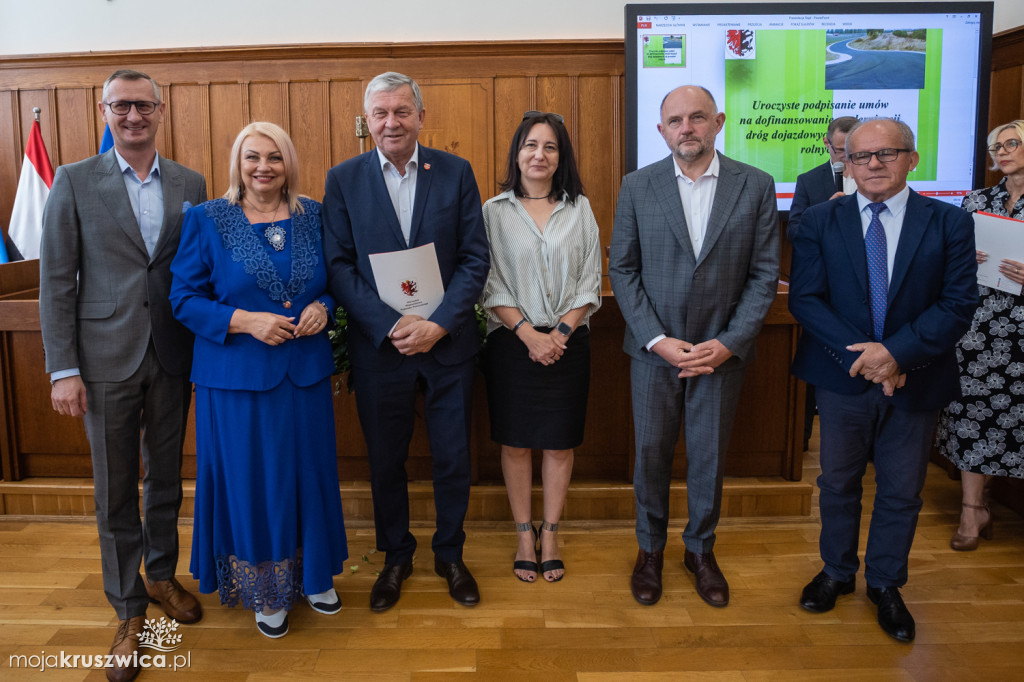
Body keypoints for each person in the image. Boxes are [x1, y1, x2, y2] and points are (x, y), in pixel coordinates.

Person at [39, 69, 207, 682]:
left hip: (170, 352)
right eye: (121, 106)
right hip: (102, 358)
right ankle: (128, 607)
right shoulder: (75, 180)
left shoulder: (191, 183)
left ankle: (161, 575)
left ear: (160, 111)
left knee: (165, 477)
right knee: (114, 488)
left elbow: (193, 271)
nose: (132, 115)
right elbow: (55, 280)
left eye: (143, 105)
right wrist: (63, 370)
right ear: (104, 110)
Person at [789, 118, 977, 643]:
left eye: (887, 153)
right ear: (845, 164)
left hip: (915, 380)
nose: (874, 164)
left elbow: (959, 303)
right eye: (861, 156)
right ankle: (836, 573)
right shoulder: (821, 221)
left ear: (912, 159)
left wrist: (895, 355)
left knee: (901, 491)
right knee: (837, 483)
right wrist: (869, 358)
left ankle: (887, 584)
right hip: (843, 378)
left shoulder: (948, 223)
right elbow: (806, 298)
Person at [169, 121, 347, 638]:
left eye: (274, 157)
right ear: (237, 164)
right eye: (253, 157)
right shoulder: (209, 218)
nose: (263, 167)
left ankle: (314, 577)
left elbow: (336, 282)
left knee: (309, 476)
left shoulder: (315, 214)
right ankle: (265, 590)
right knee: (255, 482)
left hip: (305, 372)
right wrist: (247, 321)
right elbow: (184, 299)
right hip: (236, 379)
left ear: (288, 161)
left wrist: (324, 307)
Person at [322, 72, 490, 611]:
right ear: (365, 121)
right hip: (382, 349)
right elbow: (339, 266)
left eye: (401, 112)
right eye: (380, 113)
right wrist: (390, 326)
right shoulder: (343, 179)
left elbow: (474, 259)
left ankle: (450, 554)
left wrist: (438, 323)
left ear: (421, 116)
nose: (390, 122)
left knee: (452, 458)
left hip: (448, 345)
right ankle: (395, 556)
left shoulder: (456, 173)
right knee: (385, 462)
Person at [609, 85, 779, 608]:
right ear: (662, 131)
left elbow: (765, 274)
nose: (688, 128)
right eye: (676, 121)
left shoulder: (755, 185)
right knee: (651, 456)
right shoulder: (637, 186)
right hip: (654, 353)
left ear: (718, 122)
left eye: (698, 117)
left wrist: (727, 344)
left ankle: (700, 551)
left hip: (719, 356)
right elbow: (623, 268)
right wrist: (656, 340)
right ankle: (650, 551)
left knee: (708, 458)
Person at [480, 111, 602, 583]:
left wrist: (560, 335)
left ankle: (551, 533)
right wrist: (529, 334)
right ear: (517, 153)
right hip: (512, 344)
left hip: (569, 343)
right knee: (515, 444)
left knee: (558, 444)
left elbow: (590, 282)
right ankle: (523, 534)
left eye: (550, 147)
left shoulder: (580, 209)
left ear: (560, 157)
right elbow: (488, 282)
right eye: (531, 145)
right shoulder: (494, 211)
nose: (539, 154)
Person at [936, 119, 1024, 551]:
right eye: (996, 147)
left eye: (1012, 144)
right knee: (971, 412)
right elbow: (943, 261)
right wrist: (960, 258)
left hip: (1022, 328)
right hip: (978, 327)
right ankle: (973, 508)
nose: (1002, 152)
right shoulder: (976, 201)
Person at [787, 116, 859, 241]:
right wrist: (824, 214)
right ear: (826, 143)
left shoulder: (875, 177)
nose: (847, 155)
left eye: (854, 149)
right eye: (841, 150)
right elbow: (794, 232)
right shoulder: (808, 181)